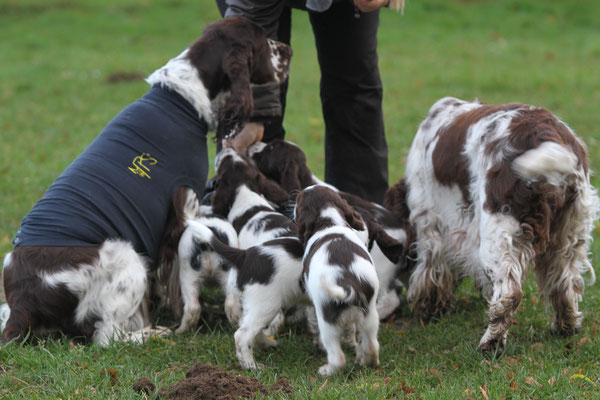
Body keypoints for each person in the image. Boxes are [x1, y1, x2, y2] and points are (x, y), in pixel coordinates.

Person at [218, 0, 400, 204]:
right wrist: (252, 109)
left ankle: (360, 215)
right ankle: (254, 216)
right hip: (253, 7)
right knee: (256, 118)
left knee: (355, 84)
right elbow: (250, 22)